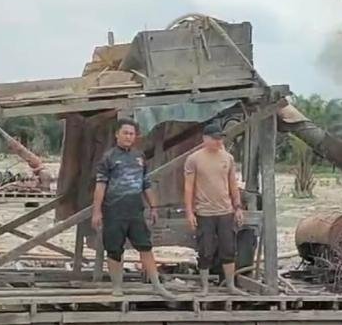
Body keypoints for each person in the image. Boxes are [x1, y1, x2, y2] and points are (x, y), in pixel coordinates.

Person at [92, 118, 175, 299]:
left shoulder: (139, 157)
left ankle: (157, 285)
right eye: (125, 133)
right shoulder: (108, 157)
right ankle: (117, 287)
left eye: (132, 134)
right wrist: (96, 211)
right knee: (114, 250)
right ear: (117, 135)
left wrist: (153, 207)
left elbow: (146, 184)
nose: (129, 136)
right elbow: (100, 186)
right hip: (113, 211)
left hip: (135, 210)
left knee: (145, 246)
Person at [184, 123, 248, 296]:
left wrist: (238, 207)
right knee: (205, 250)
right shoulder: (194, 159)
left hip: (225, 211)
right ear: (205, 138)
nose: (218, 141)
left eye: (220, 138)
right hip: (204, 212)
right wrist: (189, 212)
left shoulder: (228, 158)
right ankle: (205, 287)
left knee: (228, 249)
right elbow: (189, 187)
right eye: (215, 138)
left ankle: (230, 285)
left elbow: (233, 185)